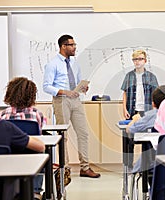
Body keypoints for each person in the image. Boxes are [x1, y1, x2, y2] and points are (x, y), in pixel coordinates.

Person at [43, 34, 100, 178]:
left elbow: (77, 81)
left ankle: (85, 167)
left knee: (83, 133)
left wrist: (83, 88)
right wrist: (64, 92)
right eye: (72, 45)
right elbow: (46, 86)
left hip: (76, 99)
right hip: (61, 100)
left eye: (75, 45)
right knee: (64, 135)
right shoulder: (53, 64)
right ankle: (65, 169)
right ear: (63, 46)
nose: (75, 48)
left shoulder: (75, 63)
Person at [0, 83, 45, 200]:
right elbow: (40, 146)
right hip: (3, 187)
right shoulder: (6, 128)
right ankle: (35, 191)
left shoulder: (3, 115)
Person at [121, 49, 159, 169]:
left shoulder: (151, 76)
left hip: (147, 111)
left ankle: (147, 164)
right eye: (135, 59)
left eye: (140, 59)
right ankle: (128, 165)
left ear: (145, 60)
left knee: (147, 139)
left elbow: (156, 94)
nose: (137, 62)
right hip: (132, 110)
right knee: (129, 137)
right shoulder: (129, 76)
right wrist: (124, 109)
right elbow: (125, 93)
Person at [126, 85, 165, 175]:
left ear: (153, 104)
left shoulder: (151, 115)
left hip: (151, 164)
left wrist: (135, 119)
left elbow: (129, 129)